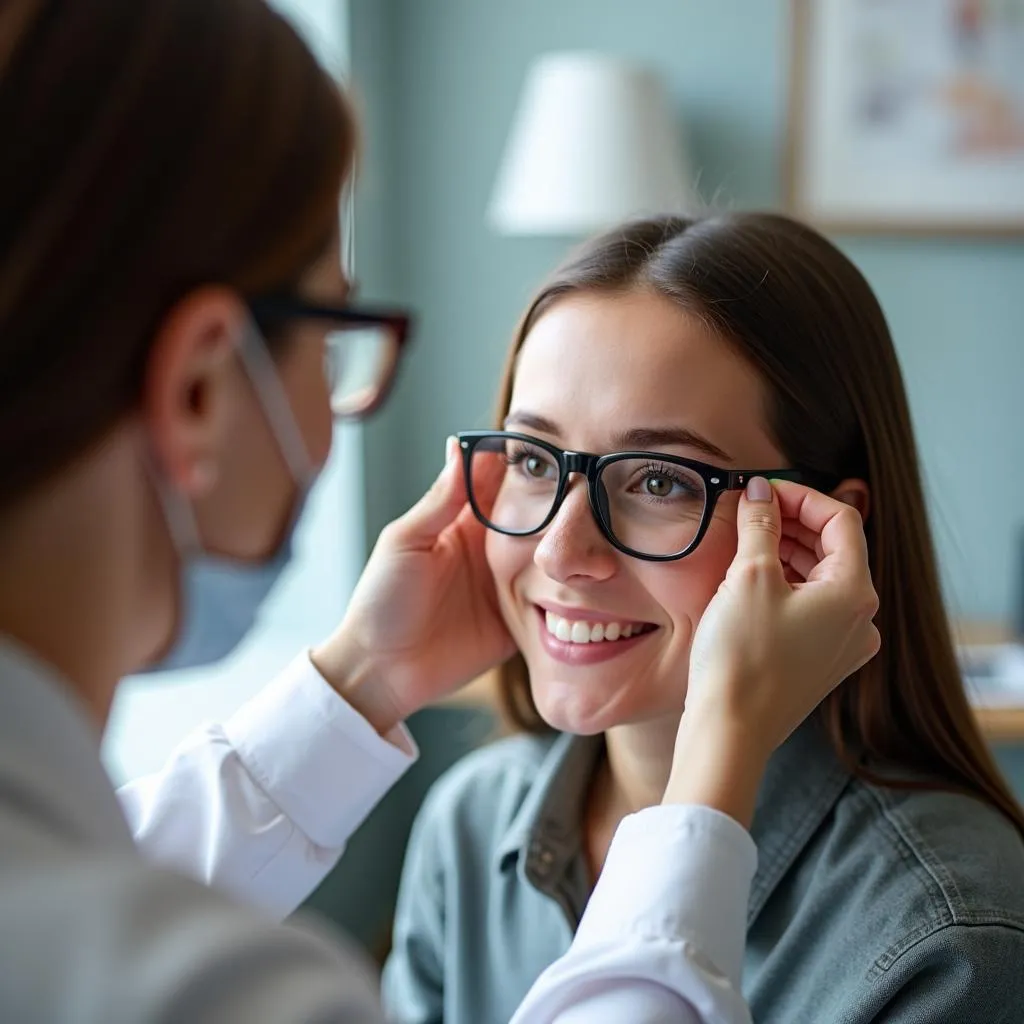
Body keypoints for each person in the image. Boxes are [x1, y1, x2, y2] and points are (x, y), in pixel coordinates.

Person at [0, 2, 882, 1022]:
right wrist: (718, 757)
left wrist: (368, 677)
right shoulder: (245, 969)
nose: (559, 544)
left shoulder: (938, 932)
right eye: (333, 334)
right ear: (201, 385)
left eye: (659, 478)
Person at [381, 213, 1024, 1024]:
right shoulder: (467, 827)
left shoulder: (951, 942)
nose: (560, 550)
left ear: (824, 534)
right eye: (534, 461)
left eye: (660, 481)